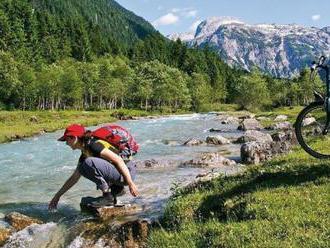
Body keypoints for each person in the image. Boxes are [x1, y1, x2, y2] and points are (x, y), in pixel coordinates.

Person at [48, 124, 138, 210]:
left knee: (88, 163)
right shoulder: (86, 152)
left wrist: (130, 183)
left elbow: (119, 160)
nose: (66, 143)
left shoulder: (94, 145)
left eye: (67, 140)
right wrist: (57, 196)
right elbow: (74, 178)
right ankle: (116, 190)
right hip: (121, 174)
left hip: (127, 173)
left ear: (74, 138)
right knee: (82, 168)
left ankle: (108, 197)